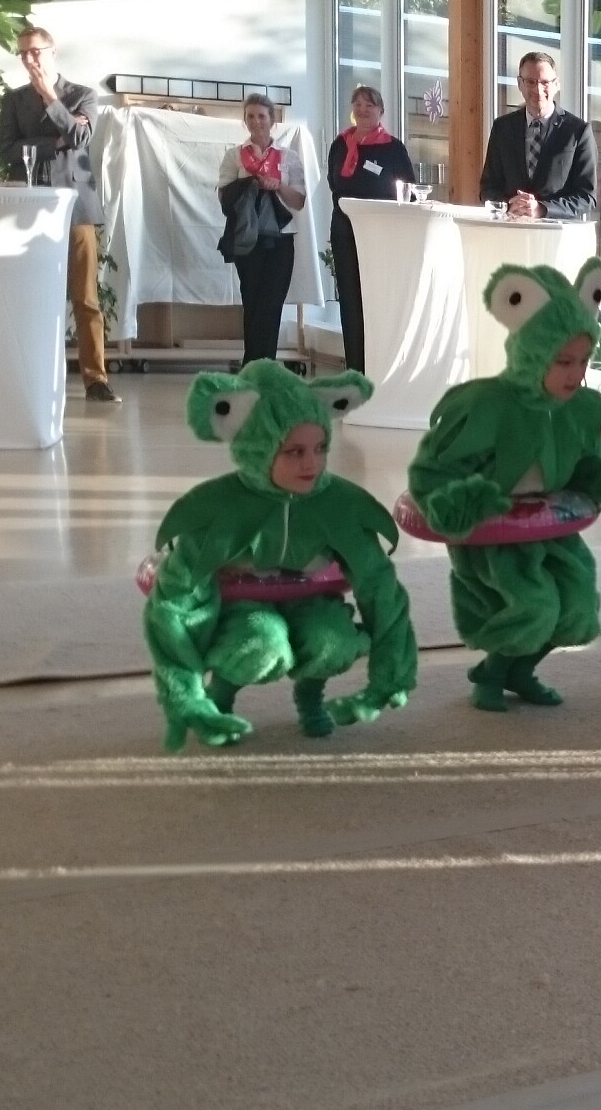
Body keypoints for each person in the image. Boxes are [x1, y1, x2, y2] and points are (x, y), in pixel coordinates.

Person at [407, 258, 601, 712]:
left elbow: (593, 472)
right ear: (533, 353)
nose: (576, 373)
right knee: (534, 605)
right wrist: (454, 503)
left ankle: (520, 671)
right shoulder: (484, 405)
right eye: (563, 361)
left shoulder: (578, 410)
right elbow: (431, 471)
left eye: (583, 361)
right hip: (491, 533)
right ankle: (493, 673)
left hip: (549, 529)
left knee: (577, 607)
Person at [146, 359, 414, 750]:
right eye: (294, 452)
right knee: (261, 642)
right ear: (258, 448)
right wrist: (185, 694)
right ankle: (221, 696)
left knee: (331, 640)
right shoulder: (218, 507)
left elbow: (380, 585)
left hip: (312, 599)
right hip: (242, 607)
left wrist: (390, 674)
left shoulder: (338, 503)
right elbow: (174, 600)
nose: (311, 463)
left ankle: (310, 696)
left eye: (320, 448)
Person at [0, 26, 117, 403]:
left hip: (76, 207)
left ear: (52, 52)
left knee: (85, 298)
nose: (29, 59)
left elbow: (81, 138)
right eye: (23, 53)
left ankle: (96, 379)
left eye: (35, 51)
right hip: (29, 207)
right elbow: (7, 150)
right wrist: (55, 142)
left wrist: (50, 96)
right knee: (28, 295)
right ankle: (29, 374)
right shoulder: (13, 100)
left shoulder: (83, 94)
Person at [215, 93, 309, 366]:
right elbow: (224, 197)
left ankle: (265, 363)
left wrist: (278, 185)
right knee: (253, 300)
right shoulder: (234, 156)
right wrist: (251, 182)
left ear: (272, 119)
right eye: (251, 116)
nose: (256, 122)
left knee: (272, 302)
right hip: (249, 236)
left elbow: (299, 201)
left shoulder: (288, 157)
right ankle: (252, 364)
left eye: (262, 116)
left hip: (281, 237)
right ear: (245, 120)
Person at [325, 84, 412, 373]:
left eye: (369, 105)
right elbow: (333, 183)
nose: (362, 110)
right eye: (358, 104)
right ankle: (355, 368)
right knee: (349, 299)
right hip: (345, 230)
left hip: (379, 233)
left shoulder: (393, 148)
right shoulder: (340, 144)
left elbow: (407, 190)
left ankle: (379, 366)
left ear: (381, 111)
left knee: (376, 298)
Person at [476, 51, 595, 220]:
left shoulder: (578, 131)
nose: (537, 90)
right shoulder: (502, 128)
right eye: (530, 82)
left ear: (556, 84)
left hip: (556, 231)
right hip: (510, 228)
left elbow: (587, 197)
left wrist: (542, 209)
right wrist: (509, 205)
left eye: (545, 82)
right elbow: (488, 188)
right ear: (520, 84)